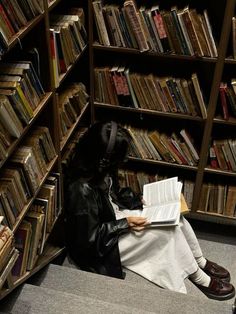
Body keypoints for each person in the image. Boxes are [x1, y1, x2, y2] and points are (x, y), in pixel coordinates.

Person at [64, 121, 235, 301]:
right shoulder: (80, 189)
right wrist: (125, 224)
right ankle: (199, 278)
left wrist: (138, 200)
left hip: (114, 218)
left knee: (177, 217)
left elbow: (111, 196)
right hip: (105, 241)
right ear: (104, 158)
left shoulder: (100, 168)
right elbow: (89, 241)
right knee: (167, 234)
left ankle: (200, 262)